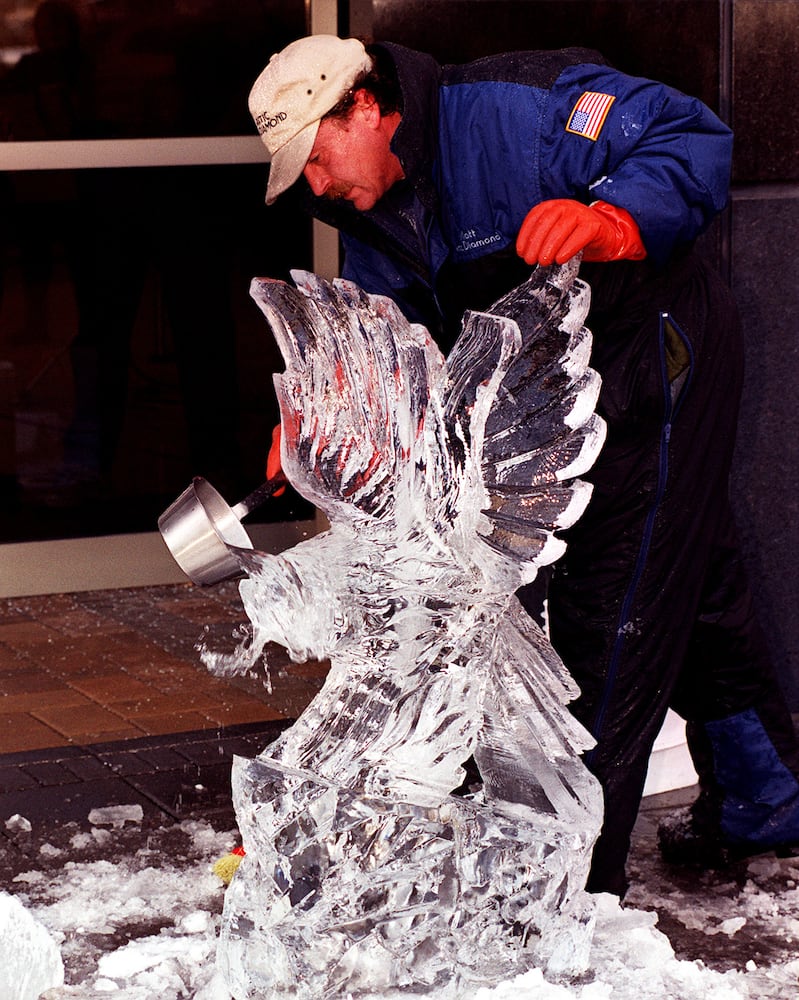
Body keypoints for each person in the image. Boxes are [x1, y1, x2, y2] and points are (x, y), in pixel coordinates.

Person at [246, 34, 799, 897]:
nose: (314, 186)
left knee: (612, 601)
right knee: (692, 578)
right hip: (549, 379)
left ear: (361, 107)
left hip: (650, 353)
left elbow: (689, 135)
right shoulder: (367, 208)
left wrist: (612, 219)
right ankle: (767, 797)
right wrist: (326, 414)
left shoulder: (519, 110)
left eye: (315, 158)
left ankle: (569, 886)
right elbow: (399, 343)